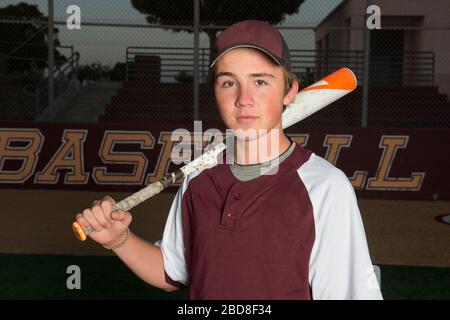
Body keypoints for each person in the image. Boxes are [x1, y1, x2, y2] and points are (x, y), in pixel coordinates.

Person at [75, 20, 383, 300]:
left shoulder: (324, 188)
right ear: (215, 91)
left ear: (290, 91)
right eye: (228, 82)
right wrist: (119, 240)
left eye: (260, 81)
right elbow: (173, 272)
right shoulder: (198, 179)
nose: (243, 98)